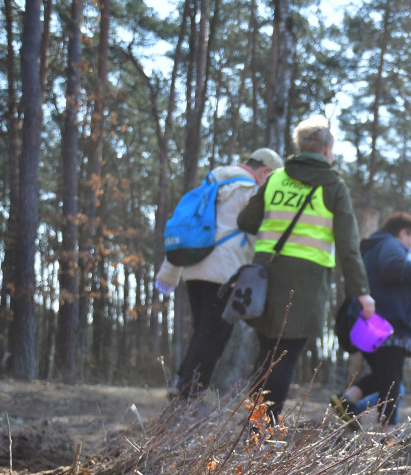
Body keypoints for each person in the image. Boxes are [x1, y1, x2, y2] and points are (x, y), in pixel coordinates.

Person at [237, 115, 374, 421]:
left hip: (265, 275)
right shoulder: (333, 185)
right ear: (326, 149)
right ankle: (262, 431)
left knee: (266, 354)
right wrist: (362, 293)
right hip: (305, 283)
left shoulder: (275, 178)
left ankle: (254, 429)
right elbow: (348, 246)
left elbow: (246, 221)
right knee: (284, 356)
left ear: (300, 146)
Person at [155, 148, 284, 400]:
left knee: (202, 331)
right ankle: (189, 394)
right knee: (214, 335)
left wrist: (169, 273)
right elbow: (256, 233)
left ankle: (182, 385)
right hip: (224, 271)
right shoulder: (248, 191)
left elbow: (187, 227)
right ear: (266, 172)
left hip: (194, 268)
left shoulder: (211, 185)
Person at [332, 212, 411, 427]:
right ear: (403, 232)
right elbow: (392, 267)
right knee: (392, 382)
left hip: (377, 323)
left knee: (384, 375)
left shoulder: (376, 246)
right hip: (390, 325)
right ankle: (386, 431)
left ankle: (346, 401)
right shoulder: (391, 245)